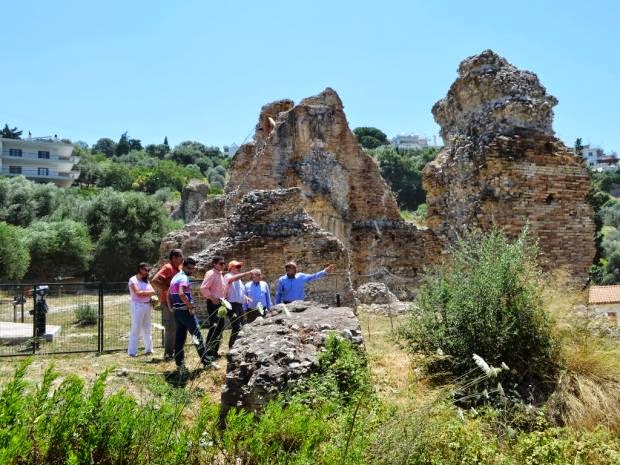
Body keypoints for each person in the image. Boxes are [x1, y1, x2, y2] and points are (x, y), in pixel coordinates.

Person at [200, 256, 255, 359]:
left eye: (224, 263)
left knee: (219, 327)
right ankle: (210, 352)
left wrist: (245, 297)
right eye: (221, 263)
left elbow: (230, 291)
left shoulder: (220, 275)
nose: (223, 265)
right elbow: (203, 288)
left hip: (222, 303)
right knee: (216, 327)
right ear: (214, 264)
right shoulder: (214, 274)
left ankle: (214, 352)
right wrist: (212, 298)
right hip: (215, 303)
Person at [169, 257, 212, 370]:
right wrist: (190, 306)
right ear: (183, 265)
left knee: (179, 339)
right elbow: (182, 294)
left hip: (177, 312)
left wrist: (171, 307)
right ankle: (207, 363)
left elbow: (169, 293)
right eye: (189, 268)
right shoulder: (183, 277)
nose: (191, 270)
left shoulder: (175, 277)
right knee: (198, 336)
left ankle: (180, 365)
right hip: (186, 312)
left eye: (193, 268)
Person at [151, 249, 183, 360]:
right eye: (180, 256)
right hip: (168, 302)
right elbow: (154, 280)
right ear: (174, 257)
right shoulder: (168, 267)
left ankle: (175, 351)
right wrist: (168, 289)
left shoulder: (178, 268)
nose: (182, 258)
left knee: (177, 327)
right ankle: (168, 353)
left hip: (177, 302)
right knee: (170, 328)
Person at [128, 263, 157, 357]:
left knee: (147, 328)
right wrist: (146, 293)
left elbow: (153, 291)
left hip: (147, 305)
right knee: (136, 328)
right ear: (140, 269)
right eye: (146, 270)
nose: (147, 272)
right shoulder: (133, 280)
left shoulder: (146, 281)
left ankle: (149, 349)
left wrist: (143, 293)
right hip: (137, 306)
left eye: (148, 270)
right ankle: (132, 352)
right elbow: (138, 293)